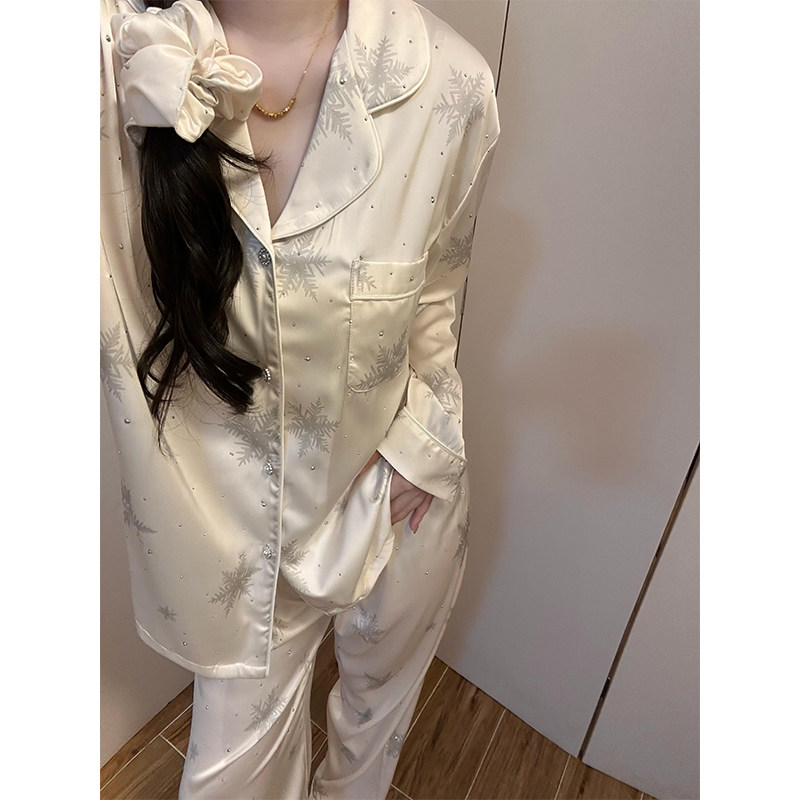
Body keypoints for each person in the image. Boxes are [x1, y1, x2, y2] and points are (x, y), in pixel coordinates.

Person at [100, 0, 500, 796]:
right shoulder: (111, 60)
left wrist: (426, 441)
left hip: (399, 496)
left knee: (371, 741)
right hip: (237, 554)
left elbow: (435, 293)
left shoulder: (453, 84)